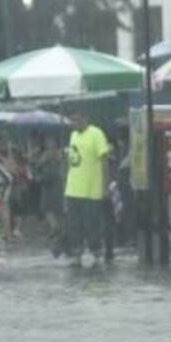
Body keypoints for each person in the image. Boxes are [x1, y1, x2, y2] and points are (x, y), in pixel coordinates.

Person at [62, 112, 112, 267]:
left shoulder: (96, 134)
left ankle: (96, 252)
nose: (74, 124)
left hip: (91, 189)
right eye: (72, 121)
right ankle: (76, 253)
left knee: (92, 224)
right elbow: (72, 161)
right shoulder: (73, 136)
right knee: (74, 224)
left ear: (85, 119)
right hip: (73, 188)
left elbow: (104, 161)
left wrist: (105, 186)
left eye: (77, 120)